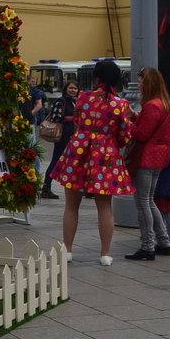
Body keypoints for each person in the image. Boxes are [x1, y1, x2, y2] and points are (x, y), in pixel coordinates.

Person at [50, 59, 133, 266]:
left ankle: (67, 250)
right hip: (106, 155)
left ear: (96, 77)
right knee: (104, 206)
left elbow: (77, 121)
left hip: (79, 151)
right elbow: (124, 136)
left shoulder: (83, 97)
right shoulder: (121, 104)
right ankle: (105, 253)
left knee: (71, 205)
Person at [125, 68, 170, 260]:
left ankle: (147, 245)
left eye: (141, 81)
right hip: (160, 157)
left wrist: (128, 122)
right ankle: (163, 242)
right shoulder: (165, 104)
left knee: (142, 202)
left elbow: (142, 134)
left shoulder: (152, 105)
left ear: (149, 83)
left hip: (147, 157)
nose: (139, 84)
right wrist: (137, 117)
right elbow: (152, 128)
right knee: (150, 200)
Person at [41, 80, 79, 200]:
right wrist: (73, 118)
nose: (73, 90)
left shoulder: (74, 102)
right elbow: (56, 117)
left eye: (75, 88)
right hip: (62, 136)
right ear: (66, 89)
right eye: (71, 88)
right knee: (56, 161)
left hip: (72, 136)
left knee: (76, 161)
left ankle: (80, 188)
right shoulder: (61, 101)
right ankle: (46, 188)